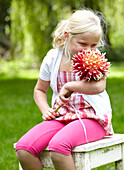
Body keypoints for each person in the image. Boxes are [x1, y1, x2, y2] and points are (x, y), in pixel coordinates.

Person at [15, 9, 113, 170]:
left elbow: (99, 86)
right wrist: (46, 109)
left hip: (93, 118)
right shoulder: (53, 58)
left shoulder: (94, 59)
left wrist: (69, 86)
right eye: (83, 44)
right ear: (67, 36)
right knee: (24, 149)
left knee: (58, 148)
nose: (89, 50)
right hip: (62, 117)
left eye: (94, 45)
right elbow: (39, 90)